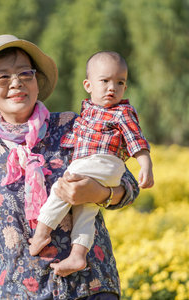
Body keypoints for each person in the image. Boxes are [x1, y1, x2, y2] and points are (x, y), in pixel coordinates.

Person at [0, 34, 140, 300]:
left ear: (36, 81)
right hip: (21, 294)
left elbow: (129, 185)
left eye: (25, 73)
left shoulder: (75, 126)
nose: (16, 83)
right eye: (2, 77)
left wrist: (99, 194)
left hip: (89, 287)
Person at [29, 51, 154, 278]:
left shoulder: (122, 112)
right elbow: (78, 137)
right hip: (99, 166)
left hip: (102, 162)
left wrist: (146, 165)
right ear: (88, 85)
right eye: (105, 81)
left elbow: (137, 141)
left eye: (120, 82)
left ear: (125, 88)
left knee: (64, 186)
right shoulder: (86, 113)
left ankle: (42, 230)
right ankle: (78, 254)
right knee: (85, 211)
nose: (112, 88)